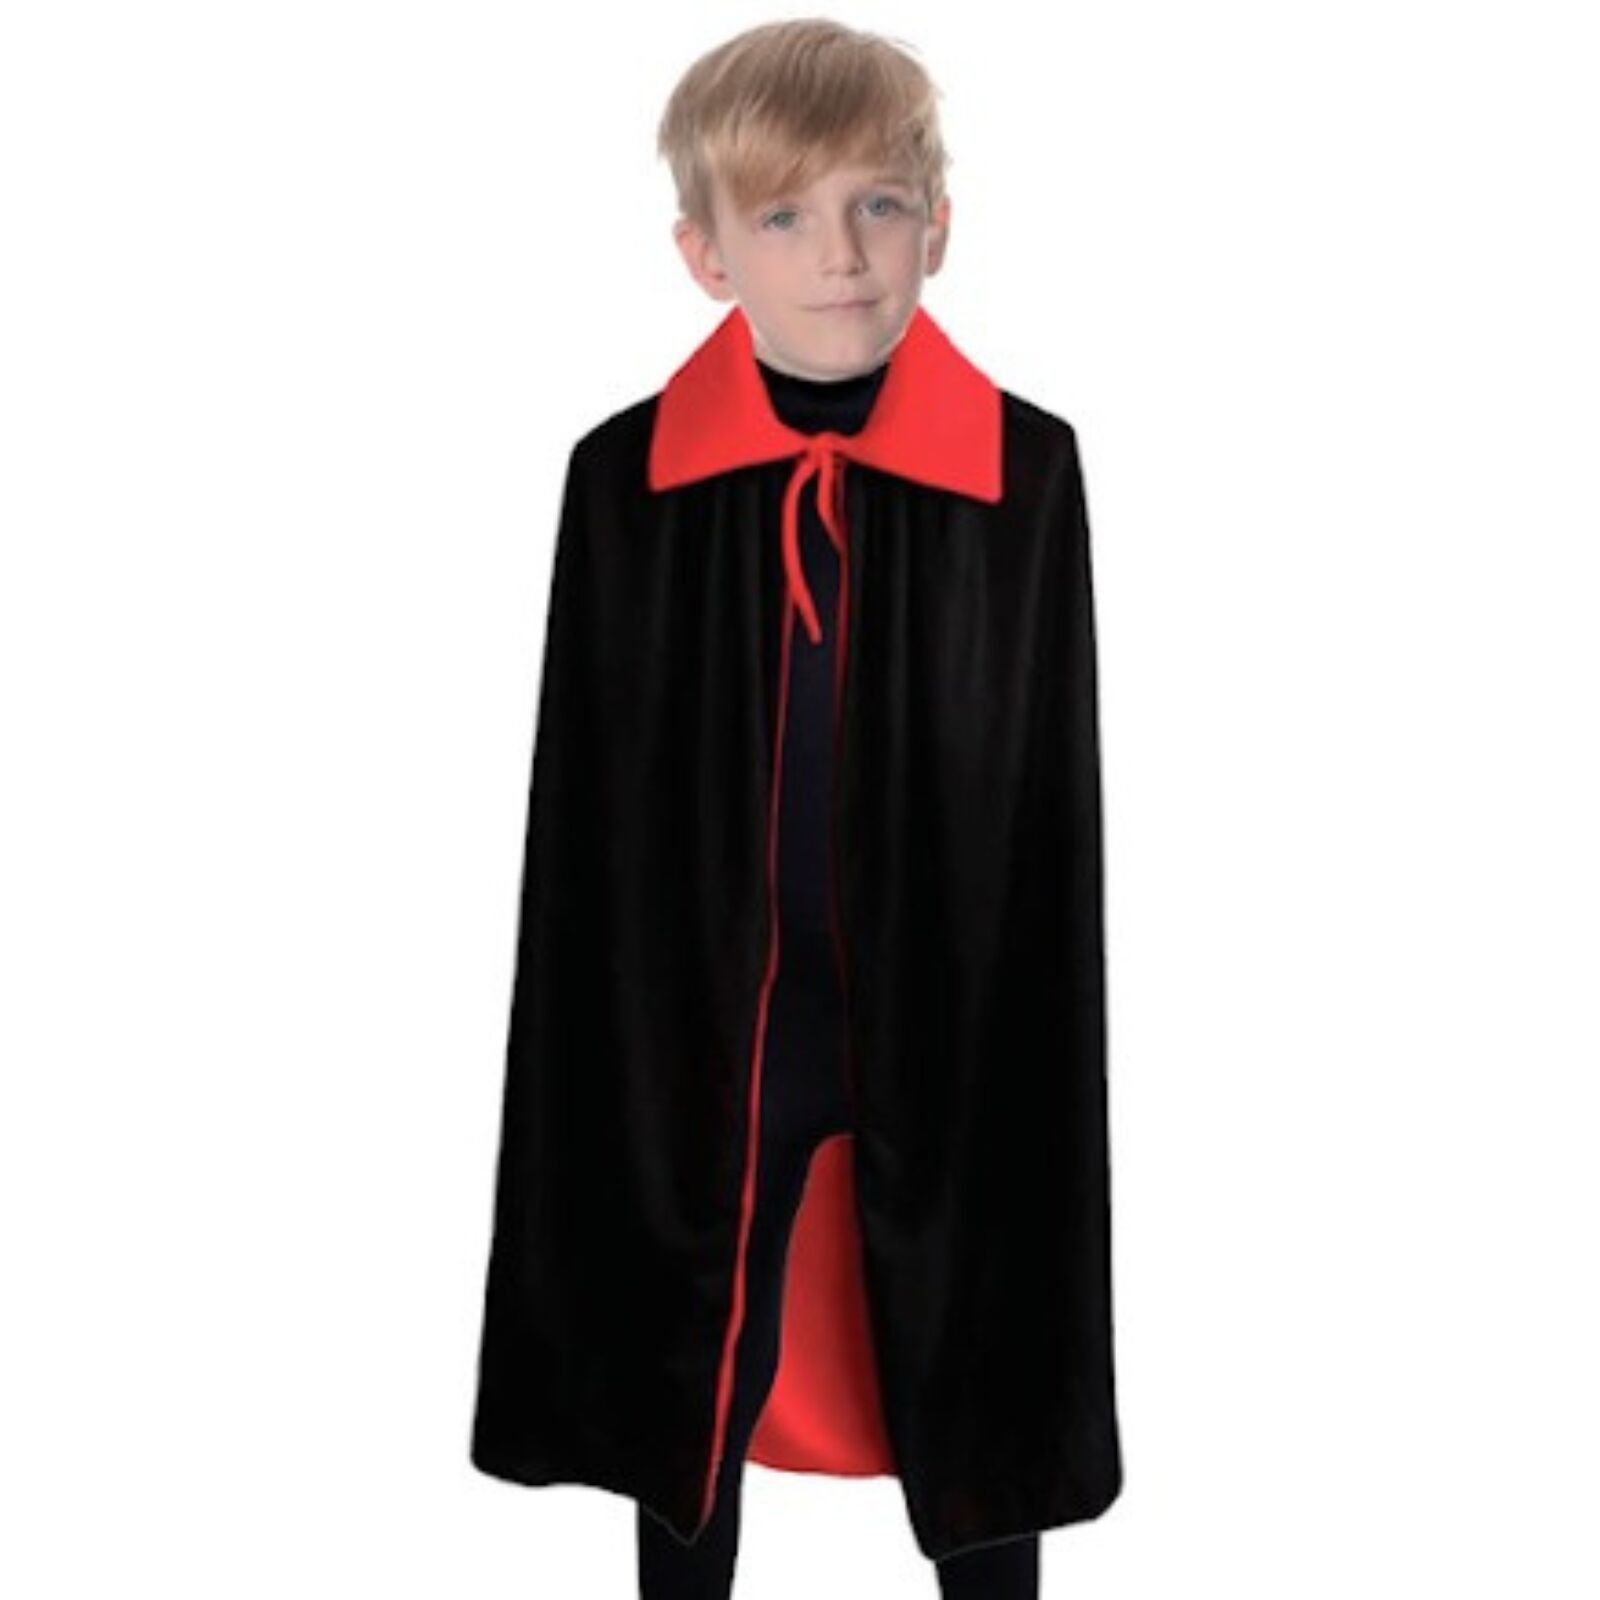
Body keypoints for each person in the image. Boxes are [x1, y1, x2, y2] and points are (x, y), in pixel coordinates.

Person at [470, 19, 1123, 1598]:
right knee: (689, 1348)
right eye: (784, 216)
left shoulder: (1021, 473)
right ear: (705, 256)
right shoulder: (625, 480)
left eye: (878, 205)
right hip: (699, 1012)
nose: (841, 255)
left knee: (977, 1338)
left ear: (939, 226)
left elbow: (1044, 797)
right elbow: (593, 809)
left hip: (955, 1005)